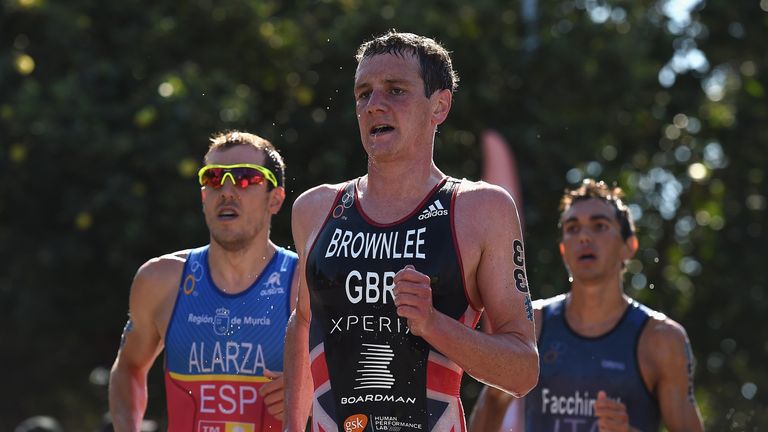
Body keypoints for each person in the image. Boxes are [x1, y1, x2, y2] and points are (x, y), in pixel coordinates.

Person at [282, 30, 539, 431]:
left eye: (395, 90)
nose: (373, 106)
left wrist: (434, 324)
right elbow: (303, 323)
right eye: (363, 93)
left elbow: (522, 371)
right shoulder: (314, 208)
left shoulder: (481, 208)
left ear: (439, 106)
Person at [468, 179, 705, 432]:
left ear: (629, 246)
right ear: (562, 249)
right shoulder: (532, 324)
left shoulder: (662, 339)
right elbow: (493, 401)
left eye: (600, 226)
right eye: (572, 228)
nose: (583, 237)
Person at [109, 131, 301, 431]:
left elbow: (357, 377)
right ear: (203, 196)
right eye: (213, 178)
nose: (226, 190)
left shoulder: (304, 283)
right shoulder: (161, 279)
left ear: (275, 199)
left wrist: (311, 389)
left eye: (245, 178)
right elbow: (128, 368)